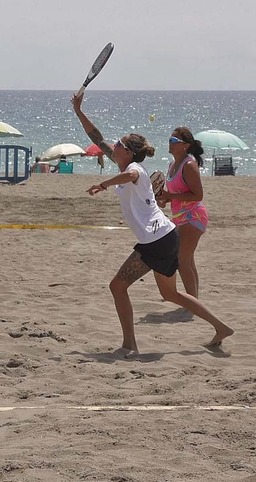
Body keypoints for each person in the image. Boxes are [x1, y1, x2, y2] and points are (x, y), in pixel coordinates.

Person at [72, 92, 233, 356]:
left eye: (119, 144)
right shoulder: (122, 162)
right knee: (171, 295)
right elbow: (96, 137)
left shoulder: (137, 169)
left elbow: (130, 175)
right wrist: (79, 111)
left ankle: (129, 345)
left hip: (157, 241)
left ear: (128, 151)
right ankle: (221, 326)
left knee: (117, 286)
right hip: (166, 236)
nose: (113, 145)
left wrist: (103, 183)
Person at [157, 127, 209, 297]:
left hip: (193, 215)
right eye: (169, 140)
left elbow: (198, 195)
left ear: (185, 146)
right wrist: (166, 199)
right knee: (188, 261)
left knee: (182, 261)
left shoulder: (189, 165)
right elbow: (179, 194)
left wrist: (170, 195)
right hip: (179, 216)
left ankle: (192, 303)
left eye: (174, 141)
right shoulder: (172, 165)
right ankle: (195, 300)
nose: (169, 144)